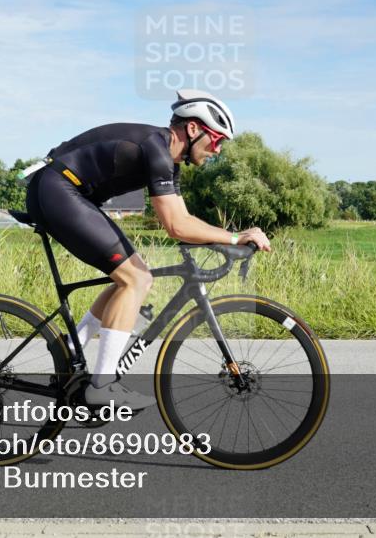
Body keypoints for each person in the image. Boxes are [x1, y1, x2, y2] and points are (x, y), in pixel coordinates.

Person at [24, 89, 272, 410]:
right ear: (193, 129)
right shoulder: (155, 149)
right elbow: (177, 227)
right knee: (136, 279)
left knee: (130, 274)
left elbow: (181, 219)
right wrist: (236, 238)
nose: (218, 149)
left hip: (63, 190)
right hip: (57, 189)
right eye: (216, 139)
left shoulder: (166, 159)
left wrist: (226, 239)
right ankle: (103, 385)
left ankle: (75, 345)